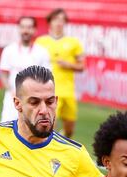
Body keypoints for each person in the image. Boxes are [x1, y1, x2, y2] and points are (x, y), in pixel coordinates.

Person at [35, 8, 84, 138]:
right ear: (49, 22)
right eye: (56, 19)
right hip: (50, 90)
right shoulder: (41, 42)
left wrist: (69, 65)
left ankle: (60, 143)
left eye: (62, 20)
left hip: (68, 91)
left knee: (69, 130)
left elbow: (82, 66)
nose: (59, 23)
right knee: (50, 125)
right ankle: (46, 150)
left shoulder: (73, 43)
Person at [0, 16, 51, 122]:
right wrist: (11, 91)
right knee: (7, 130)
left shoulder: (42, 52)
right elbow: (3, 74)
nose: (25, 31)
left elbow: (47, 78)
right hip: (12, 100)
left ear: (35, 30)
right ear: (18, 29)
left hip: (34, 101)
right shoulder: (9, 50)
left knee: (31, 134)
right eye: (22, 27)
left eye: (29, 27)